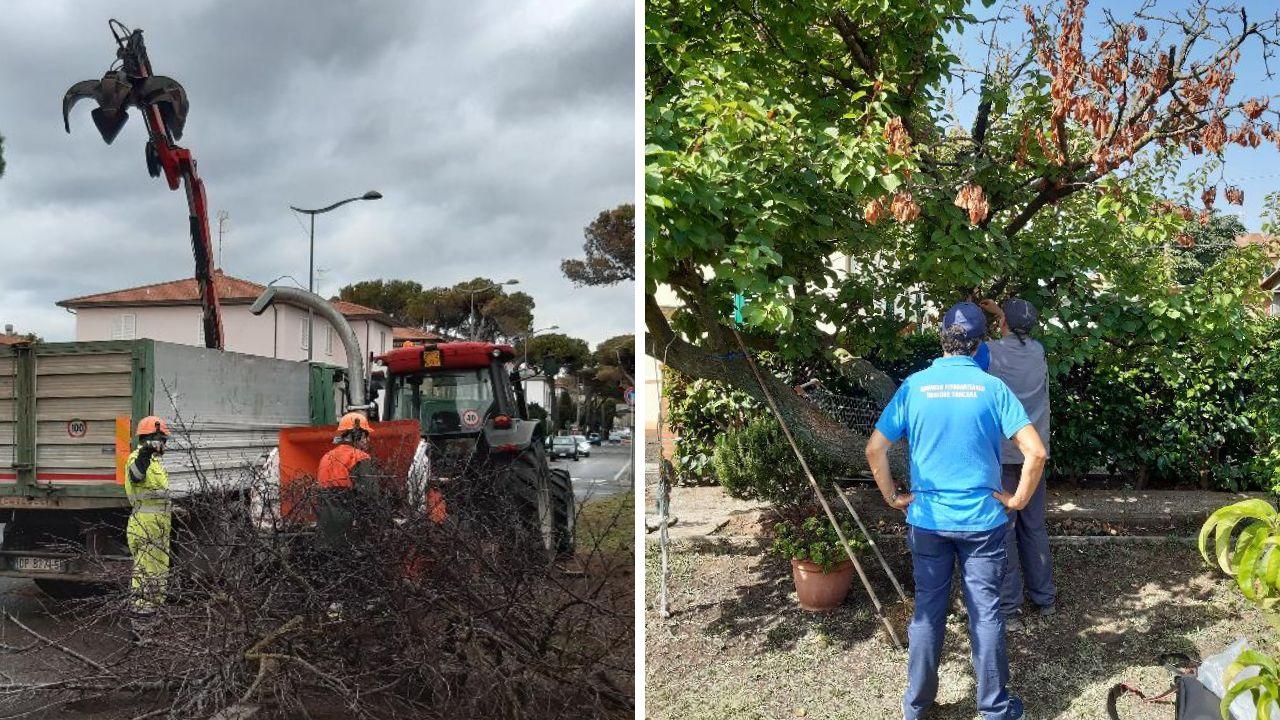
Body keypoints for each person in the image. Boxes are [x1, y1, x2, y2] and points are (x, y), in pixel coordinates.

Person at [865, 301, 1047, 720]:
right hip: (983, 523)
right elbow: (1034, 453)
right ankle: (994, 709)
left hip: (928, 521)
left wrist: (893, 497)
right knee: (985, 614)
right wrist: (1017, 500)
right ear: (981, 343)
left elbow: (875, 448)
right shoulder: (992, 388)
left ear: (941, 338)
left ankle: (917, 706)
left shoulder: (914, 386)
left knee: (928, 611)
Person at [978, 298, 1057, 630]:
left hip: (1003, 456)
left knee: (1005, 530)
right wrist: (1003, 314)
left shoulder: (990, 353)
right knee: (1034, 528)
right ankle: (1044, 599)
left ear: (1004, 326)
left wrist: (984, 313)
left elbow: (971, 346)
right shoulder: (1037, 351)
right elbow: (1018, 332)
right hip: (1034, 455)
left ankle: (1010, 608)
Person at [125, 416, 173, 621]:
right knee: (145, 574)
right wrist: (145, 452)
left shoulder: (156, 464)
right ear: (152, 438)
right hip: (145, 526)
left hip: (159, 527)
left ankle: (154, 615)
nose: (165, 444)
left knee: (158, 573)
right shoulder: (137, 458)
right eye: (163, 439)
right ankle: (141, 621)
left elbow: (157, 494)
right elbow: (136, 476)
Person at [315, 412, 380, 549]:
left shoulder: (326, 457)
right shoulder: (359, 458)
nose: (368, 440)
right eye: (366, 435)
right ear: (357, 435)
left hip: (324, 535)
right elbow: (370, 497)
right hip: (349, 538)